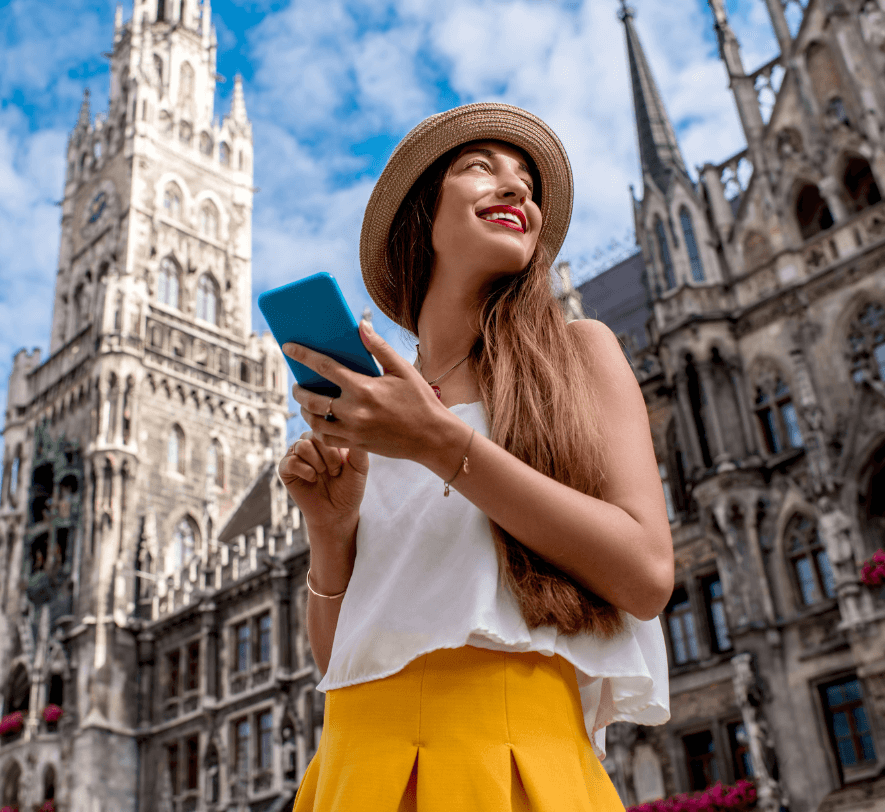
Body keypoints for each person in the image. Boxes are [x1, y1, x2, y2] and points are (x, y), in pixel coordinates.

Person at [278, 103, 673, 811]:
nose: (518, 188)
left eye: (527, 181)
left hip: (514, 763)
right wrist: (331, 535)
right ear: (421, 218)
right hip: (350, 767)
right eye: (480, 167)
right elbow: (343, 661)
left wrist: (440, 443)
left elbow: (645, 574)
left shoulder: (581, 354)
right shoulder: (376, 409)